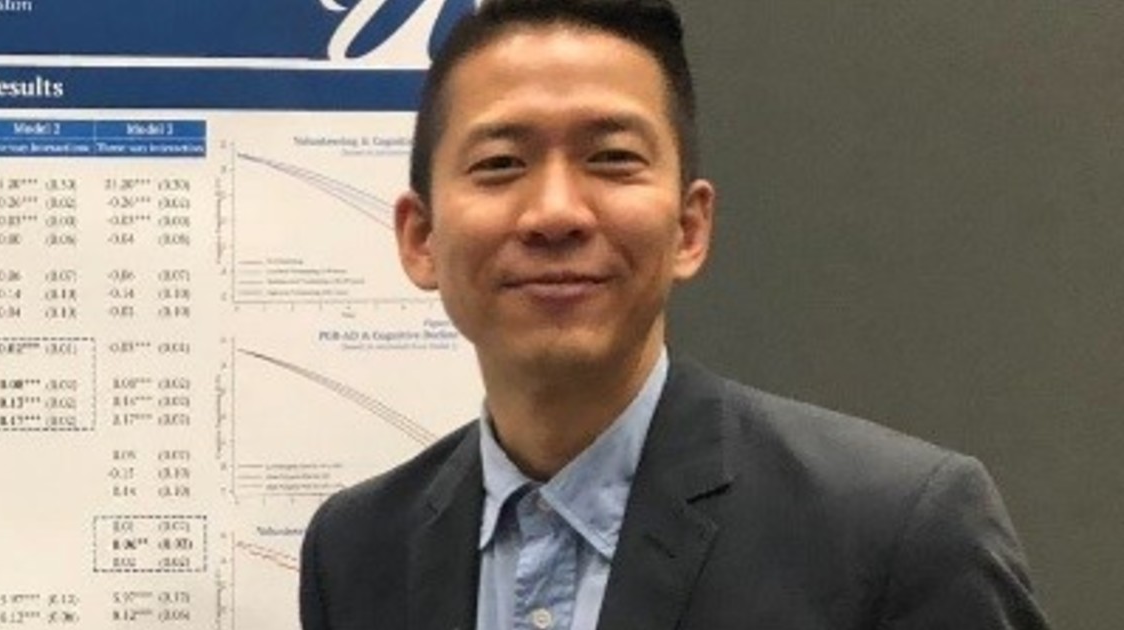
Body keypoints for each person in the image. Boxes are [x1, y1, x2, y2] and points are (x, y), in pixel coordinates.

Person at [299, 0, 1049, 628]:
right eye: (500, 163)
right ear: (421, 238)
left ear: (689, 228)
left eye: (611, 158)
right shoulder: (357, 550)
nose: (555, 212)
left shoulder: (896, 532)